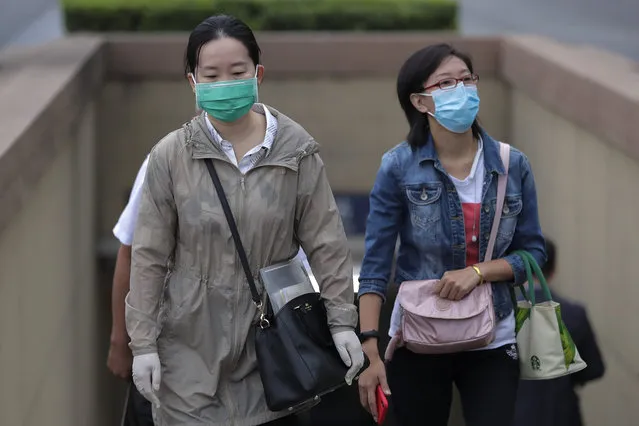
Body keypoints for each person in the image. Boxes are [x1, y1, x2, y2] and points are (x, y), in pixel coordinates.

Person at [125, 14, 364, 426]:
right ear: (192, 82)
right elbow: (149, 256)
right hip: (189, 345)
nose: (225, 84)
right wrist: (143, 344)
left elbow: (327, 242)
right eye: (211, 75)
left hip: (273, 344)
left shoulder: (296, 151)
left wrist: (342, 321)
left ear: (258, 73)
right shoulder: (170, 156)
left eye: (237, 72)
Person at [355, 43, 546, 426]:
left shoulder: (512, 165)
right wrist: (370, 350)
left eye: (466, 79)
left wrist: (478, 273)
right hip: (418, 338)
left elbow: (533, 254)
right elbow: (375, 265)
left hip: (495, 334)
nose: (461, 89)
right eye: (446, 83)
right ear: (421, 101)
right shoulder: (397, 167)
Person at [513, 237, 605, 426]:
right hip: (560, 414)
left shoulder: (500, 314)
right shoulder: (574, 314)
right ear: (553, 270)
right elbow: (594, 369)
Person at [107, 154, 154, 426]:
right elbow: (129, 251)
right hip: (166, 351)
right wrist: (120, 340)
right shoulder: (163, 160)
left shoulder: (283, 152)